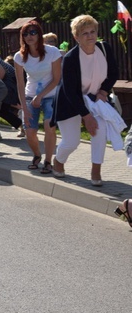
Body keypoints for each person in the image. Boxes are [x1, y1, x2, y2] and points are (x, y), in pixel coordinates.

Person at [52, 15, 120, 186]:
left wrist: (103, 91)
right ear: (76, 37)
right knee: (72, 142)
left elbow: (113, 73)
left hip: (94, 98)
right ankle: (58, 161)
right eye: (84, 33)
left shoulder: (104, 49)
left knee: (100, 129)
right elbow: (70, 91)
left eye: (92, 32)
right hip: (69, 101)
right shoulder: (70, 58)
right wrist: (86, 116)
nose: (90, 36)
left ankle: (96, 170)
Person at [14, 21, 62, 173]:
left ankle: (48, 161)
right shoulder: (19, 56)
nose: (29, 36)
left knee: (49, 125)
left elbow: (56, 79)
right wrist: (24, 108)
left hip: (50, 94)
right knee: (30, 130)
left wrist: (40, 96)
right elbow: (20, 84)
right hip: (30, 94)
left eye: (33, 32)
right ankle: (36, 155)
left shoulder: (52, 52)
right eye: (25, 34)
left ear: (39, 34)